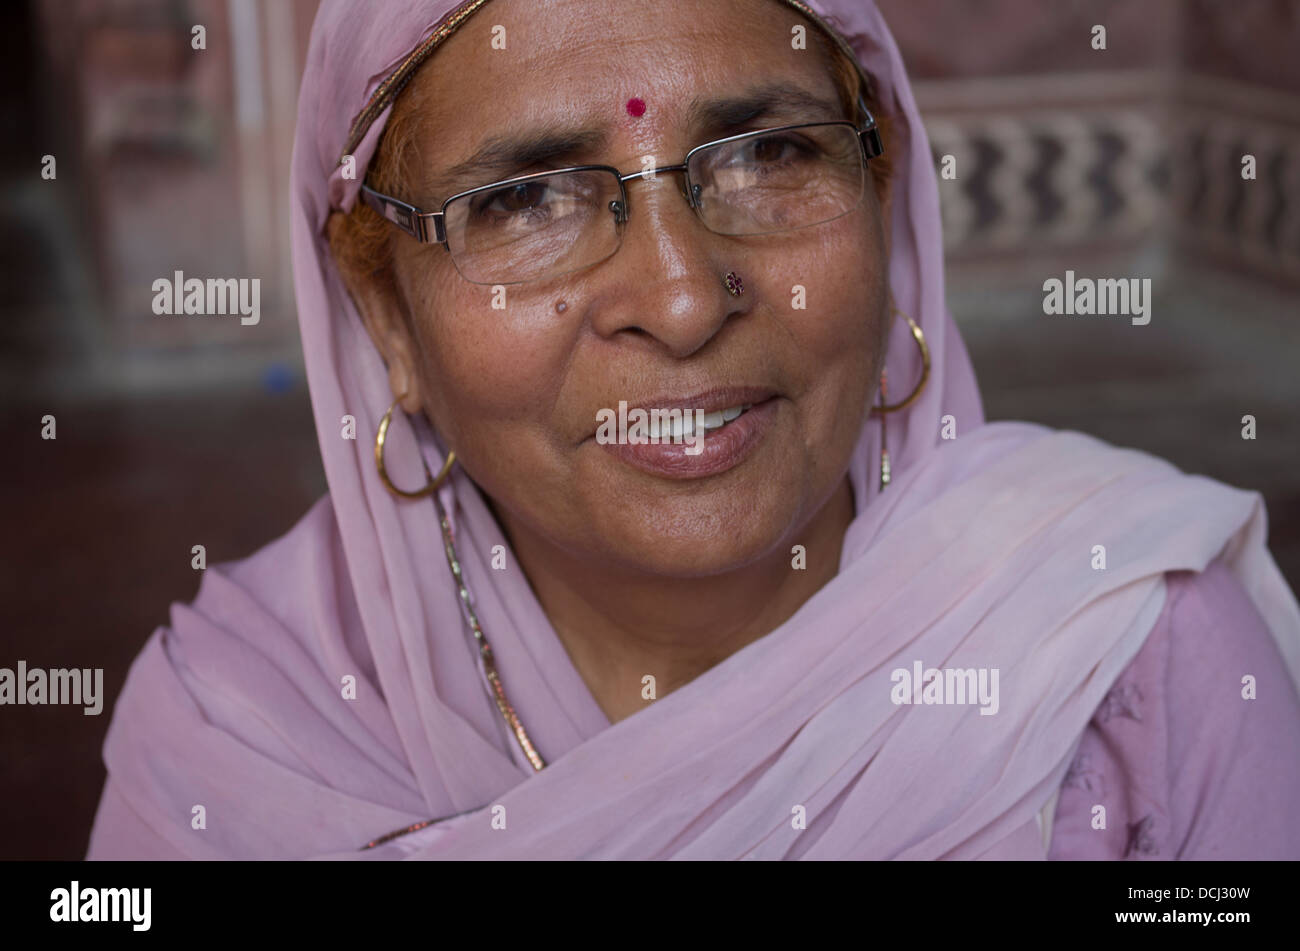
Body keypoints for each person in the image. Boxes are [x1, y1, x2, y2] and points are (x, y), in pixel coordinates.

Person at [87, 0, 1300, 860]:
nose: (677, 296)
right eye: (524, 197)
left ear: (885, 209)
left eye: (768, 152)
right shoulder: (246, 734)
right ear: (387, 323)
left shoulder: (1135, 647)